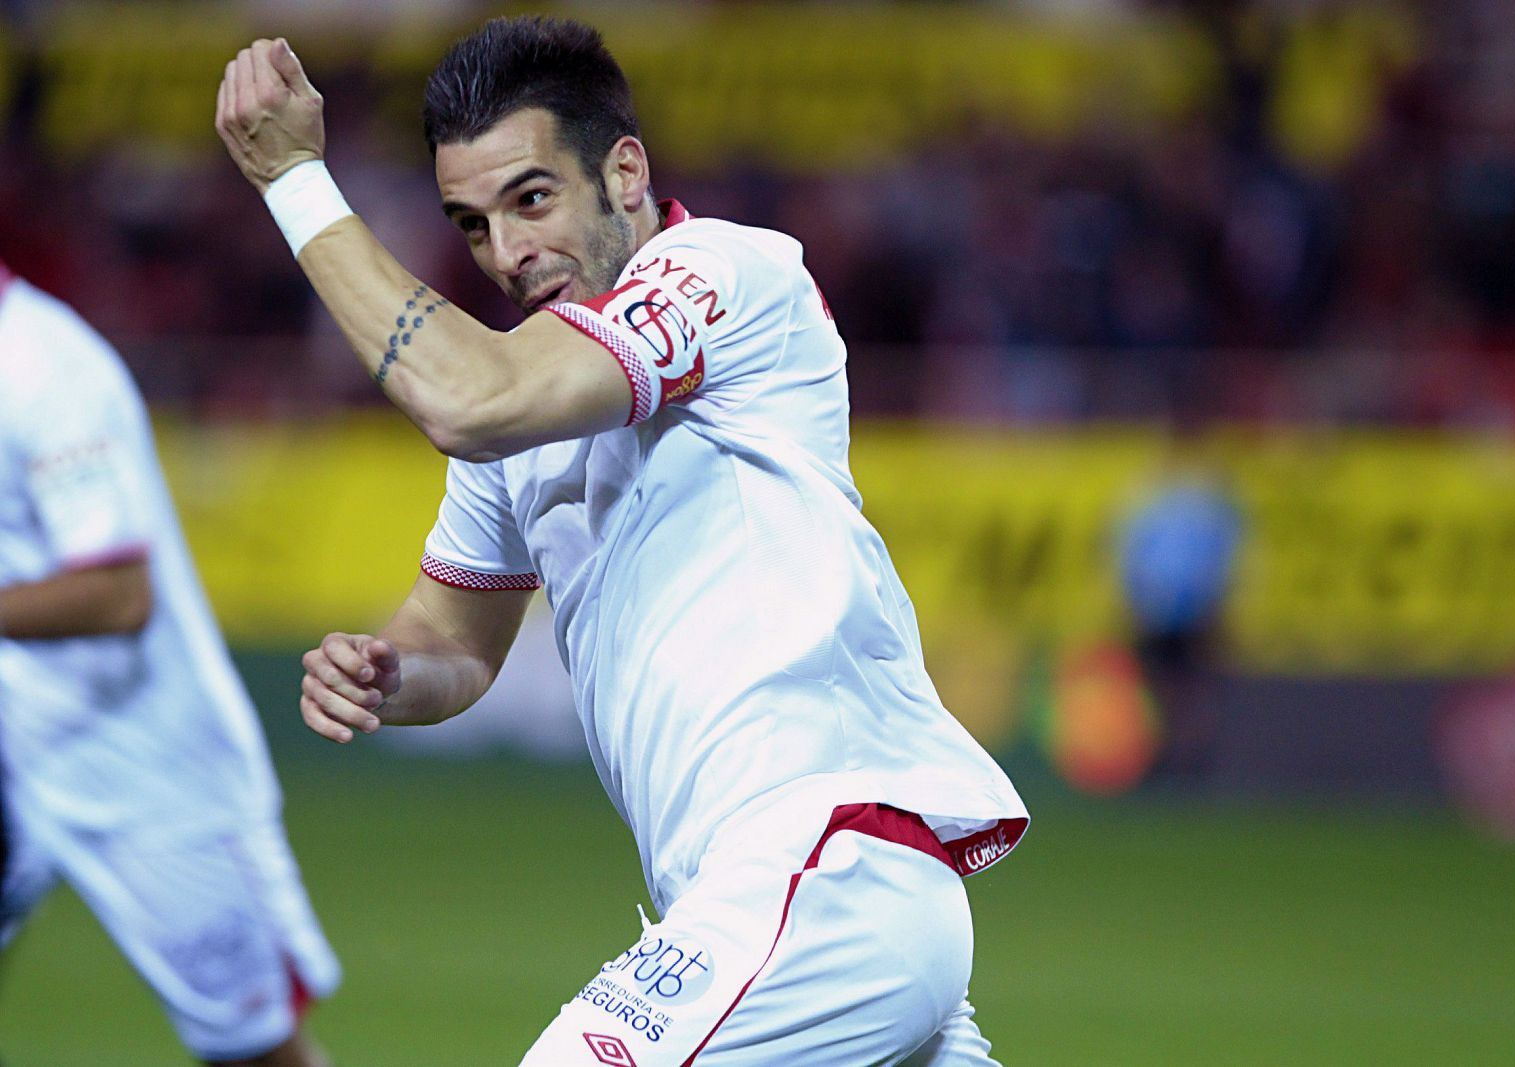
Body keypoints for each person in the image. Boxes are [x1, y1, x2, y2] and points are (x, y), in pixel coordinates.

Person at [215, 18, 1028, 1065]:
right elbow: (457, 642)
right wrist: (382, 672)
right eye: (471, 224)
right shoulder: (519, 404)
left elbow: (468, 398)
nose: (508, 252)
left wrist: (293, 180)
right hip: (769, 900)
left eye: (532, 199)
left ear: (624, 172)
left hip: (825, 867)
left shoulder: (727, 275)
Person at [0, 260, 340, 1066]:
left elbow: (120, 595)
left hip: (144, 757)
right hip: (16, 742)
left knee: (255, 1046)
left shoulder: (42, 366)